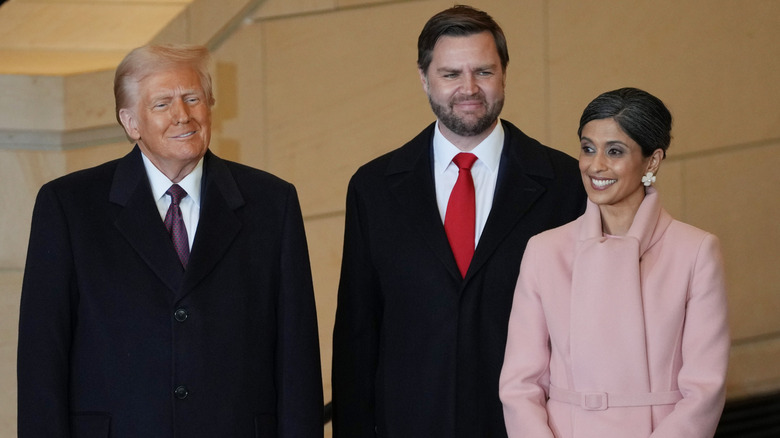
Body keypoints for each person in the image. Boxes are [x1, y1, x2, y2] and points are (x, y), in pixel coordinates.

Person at [17, 44, 324, 437]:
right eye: (162, 104)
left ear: (210, 105)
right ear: (131, 122)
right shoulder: (69, 207)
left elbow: (297, 357)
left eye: (192, 98)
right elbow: (43, 360)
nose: (183, 115)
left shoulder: (271, 202)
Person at [331, 5, 586, 437]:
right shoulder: (373, 188)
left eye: (483, 72)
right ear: (424, 78)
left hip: (528, 427)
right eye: (451, 74)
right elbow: (358, 334)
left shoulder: (564, 183)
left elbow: (585, 330)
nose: (469, 89)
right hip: (410, 424)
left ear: (504, 73)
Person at [499, 87, 730, 437]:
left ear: (651, 161)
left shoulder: (695, 251)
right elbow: (520, 383)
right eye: (588, 148)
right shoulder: (545, 250)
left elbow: (704, 388)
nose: (596, 165)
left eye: (615, 151)